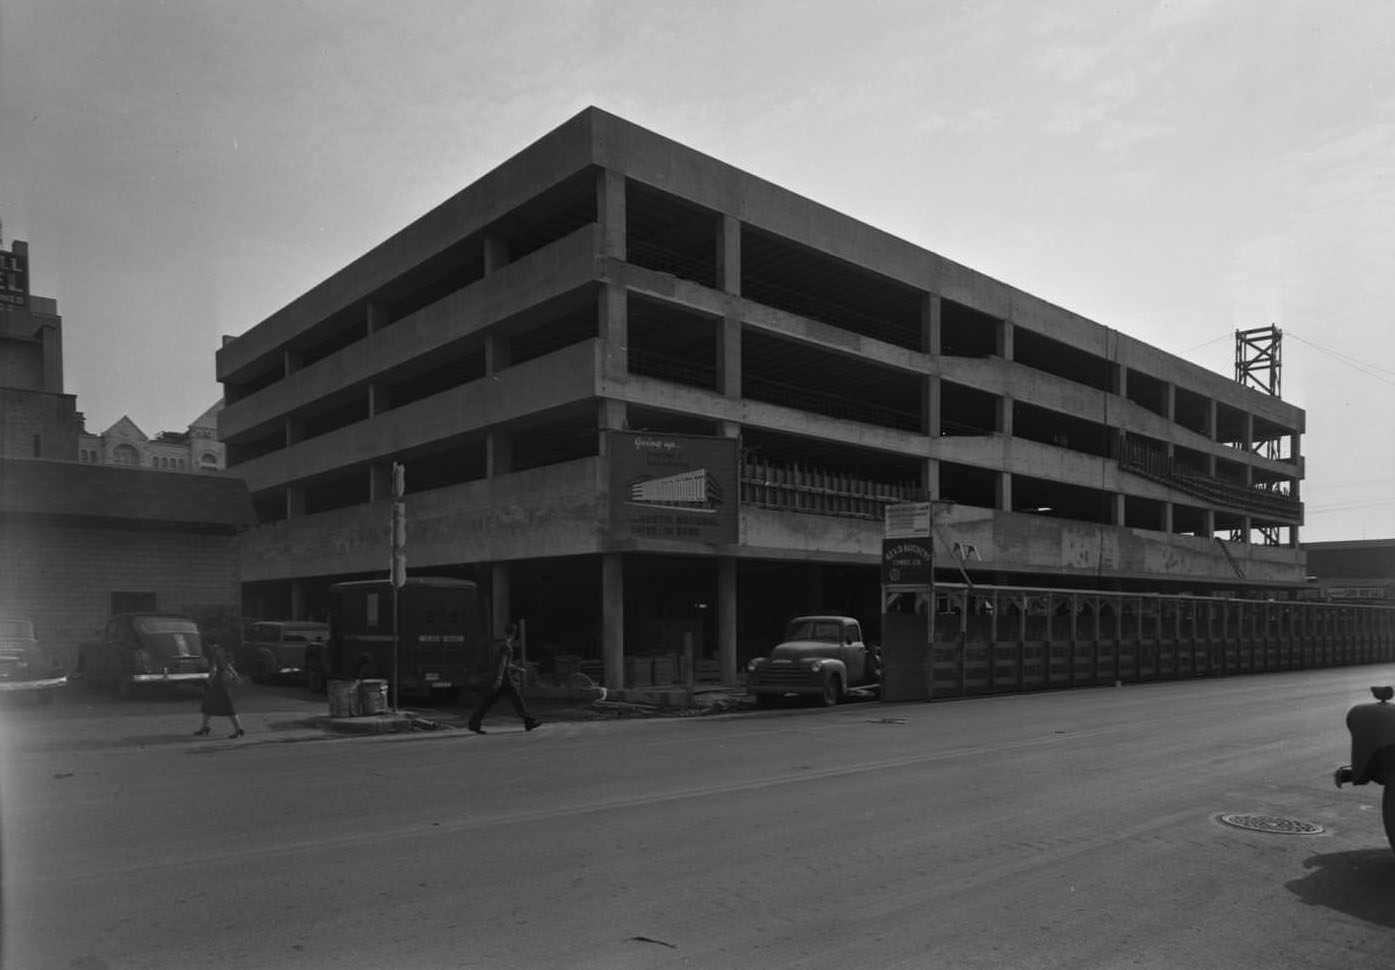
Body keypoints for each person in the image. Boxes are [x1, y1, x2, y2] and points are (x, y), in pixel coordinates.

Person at [468, 622, 540, 734]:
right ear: (514, 634)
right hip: (505, 678)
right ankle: (528, 721)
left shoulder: (500, 645)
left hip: (500, 677)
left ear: (505, 632)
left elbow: (505, 663)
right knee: (517, 699)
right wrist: (499, 678)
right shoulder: (507, 646)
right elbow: (502, 663)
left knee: (488, 702)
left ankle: (474, 723)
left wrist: (519, 669)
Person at [195, 644, 245, 739]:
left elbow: (214, 668)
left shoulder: (215, 654)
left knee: (224, 705)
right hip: (224, 680)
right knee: (209, 704)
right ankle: (205, 727)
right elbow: (229, 667)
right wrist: (236, 677)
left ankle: (238, 728)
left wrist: (210, 679)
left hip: (217, 682)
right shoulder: (225, 652)